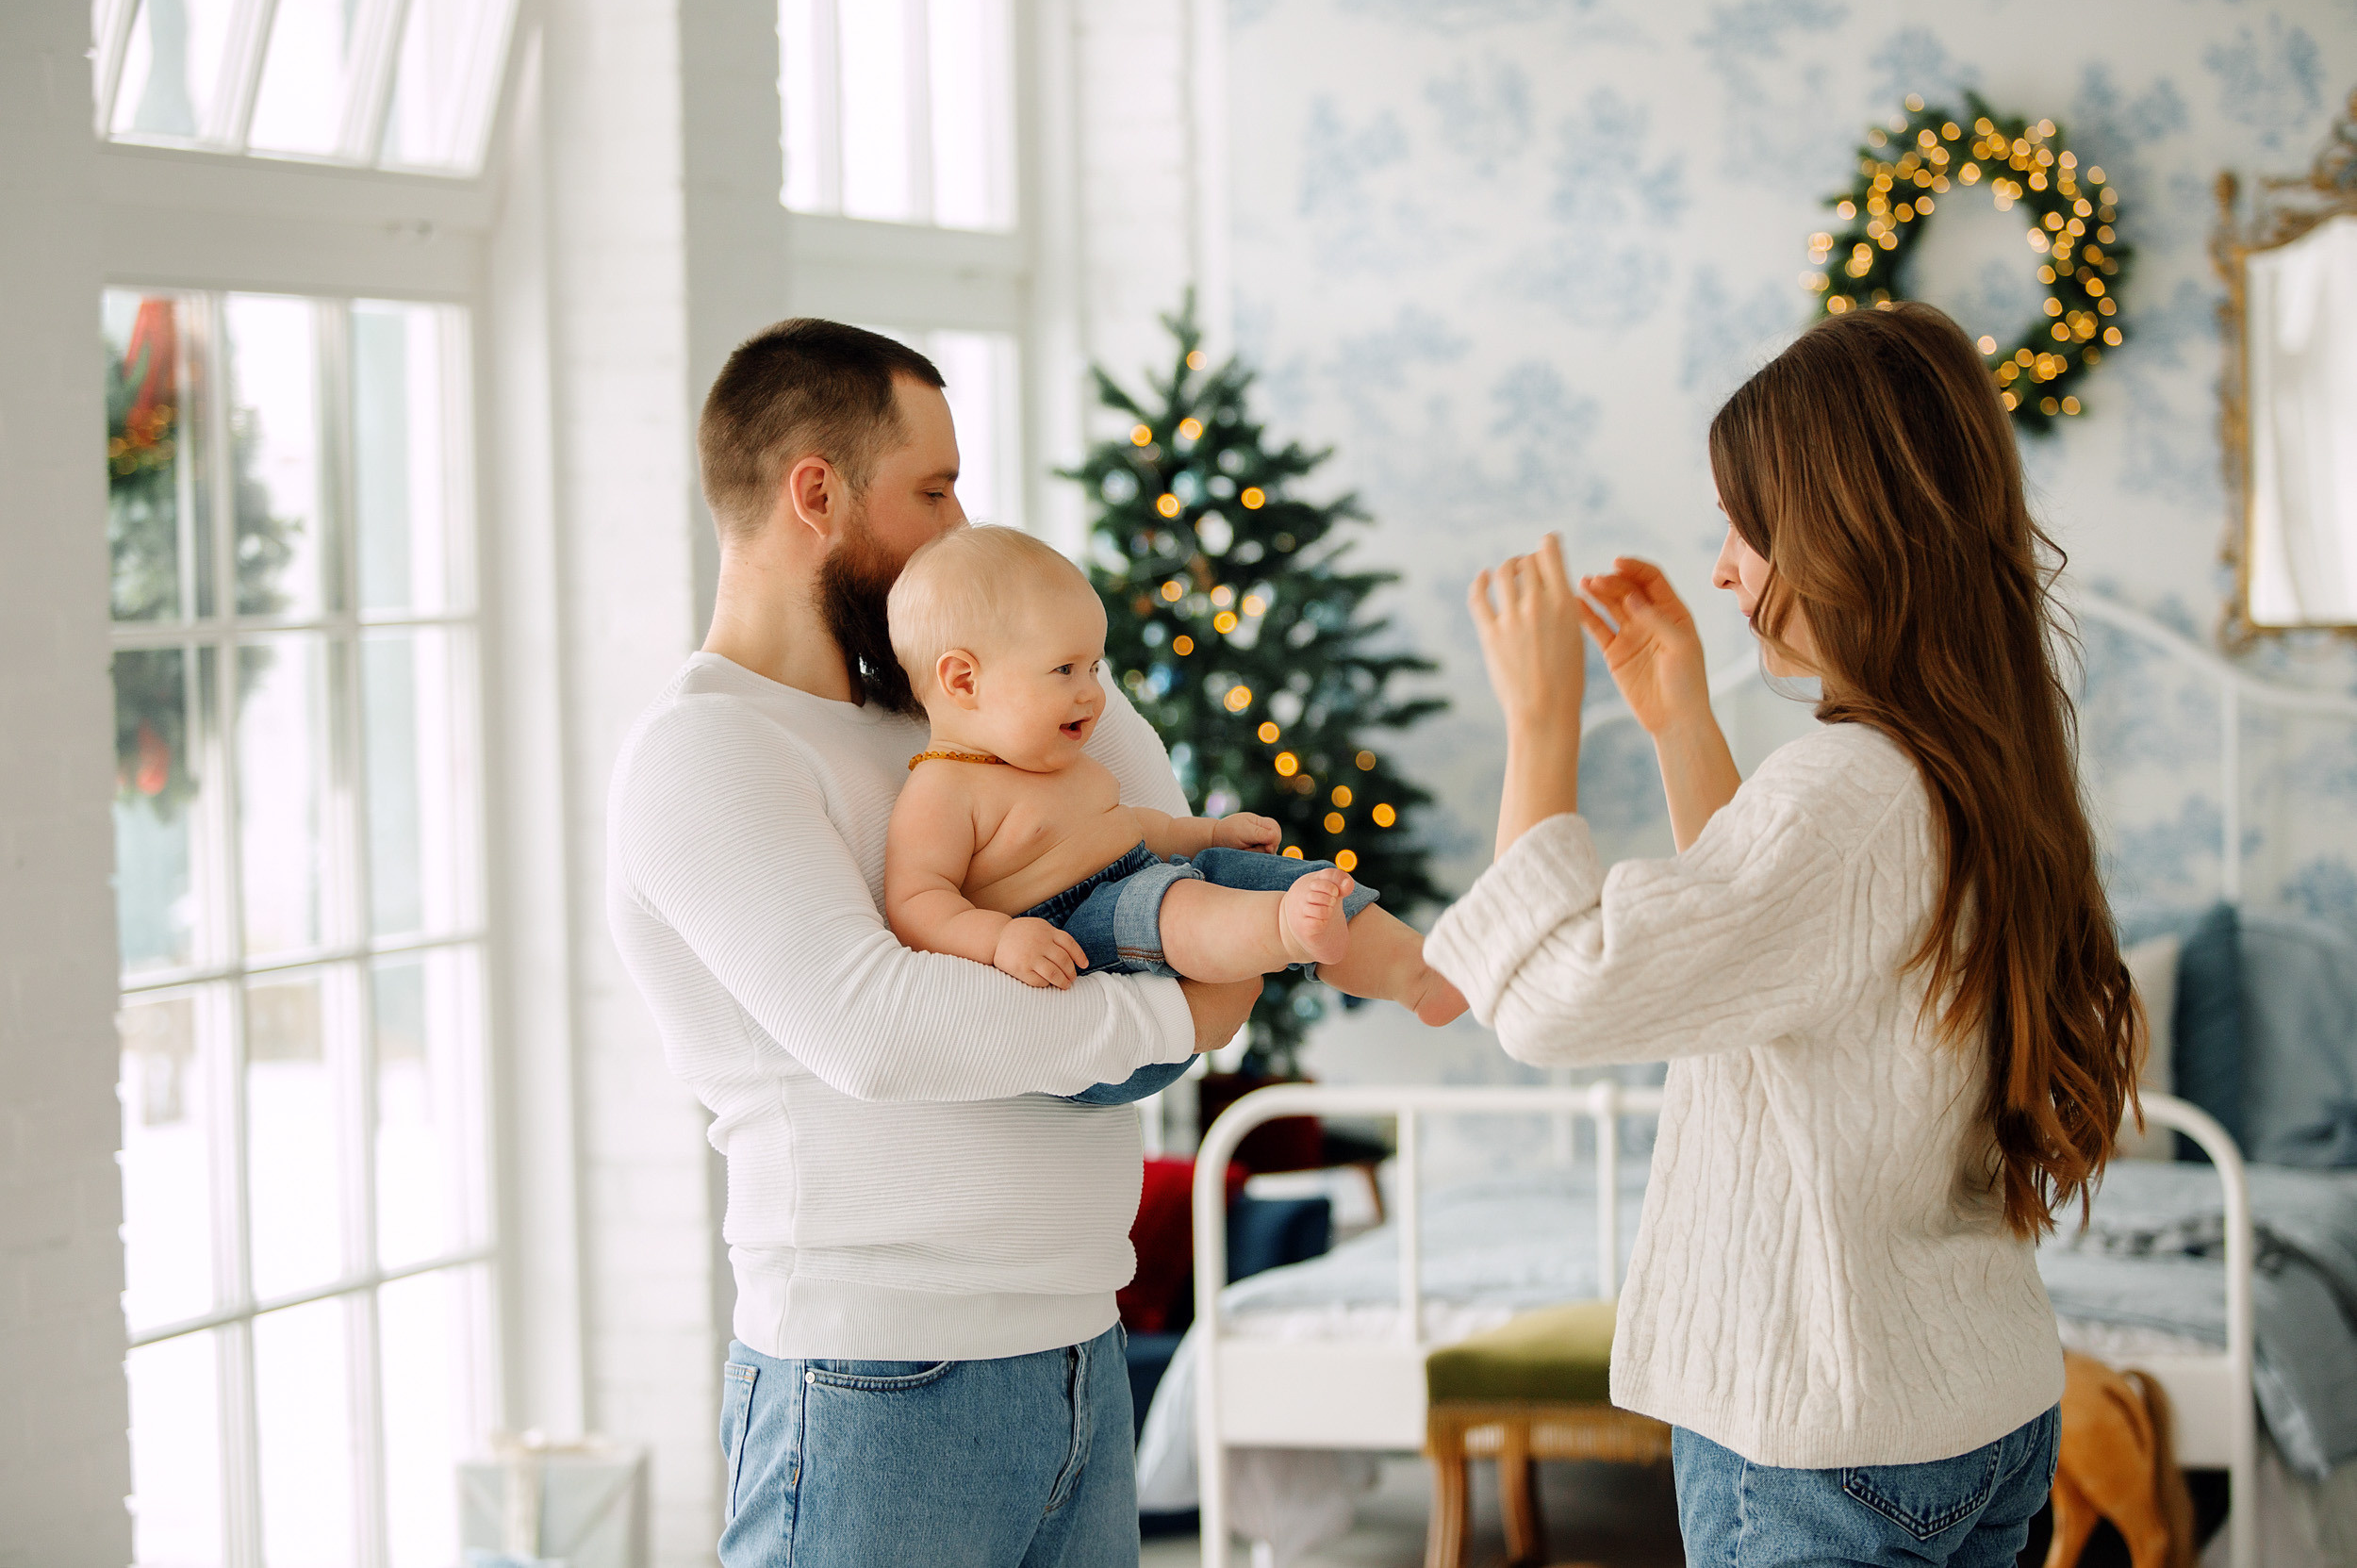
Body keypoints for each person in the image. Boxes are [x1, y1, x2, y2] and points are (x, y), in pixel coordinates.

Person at [1426, 301, 2143, 1567]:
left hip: (1827, 1432)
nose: (1723, 570)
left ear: (1844, 537)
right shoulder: (1970, 764)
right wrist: (1677, 716)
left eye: (1744, 531)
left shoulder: (1846, 793)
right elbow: (1761, 966)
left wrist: (1539, 726)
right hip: (1973, 1399)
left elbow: (1554, 999)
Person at [606, 319, 1262, 1567]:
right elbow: (880, 1027)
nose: (962, 530)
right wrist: (1185, 1017)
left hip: (1077, 1342)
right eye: (933, 489)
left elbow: (1145, 845)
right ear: (817, 492)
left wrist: (1036, 642)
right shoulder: (711, 748)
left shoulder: (941, 707)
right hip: (876, 1377)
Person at [881, 526, 1465, 1098]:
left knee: (1282, 877)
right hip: (1079, 960)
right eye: (1066, 670)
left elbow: (1140, 829)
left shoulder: (1061, 763)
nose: (1093, 693)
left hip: (1148, 894)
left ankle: (1418, 975)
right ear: (964, 680)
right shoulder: (942, 789)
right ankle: (1287, 930)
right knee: (1170, 900)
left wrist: (1208, 832)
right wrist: (1000, 940)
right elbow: (917, 902)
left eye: (1094, 668)